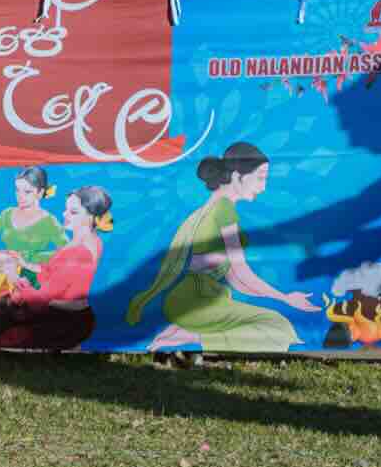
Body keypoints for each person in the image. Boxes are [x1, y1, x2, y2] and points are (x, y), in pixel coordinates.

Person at [128, 143, 318, 354]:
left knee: (276, 326)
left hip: (198, 299)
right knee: (277, 329)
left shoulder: (213, 208)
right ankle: (186, 336)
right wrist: (286, 298)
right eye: (261, 177)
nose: (263, 187)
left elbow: (236, 280)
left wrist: (283, 298)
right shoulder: (224, 209)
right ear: (237, 176)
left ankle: (184, 332)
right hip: (196, 302)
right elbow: (241, 273)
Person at [0, 185, 112, 350]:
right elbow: (56, 272)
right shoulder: (91, 240)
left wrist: (14, 277)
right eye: (66, 210)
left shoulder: (78, 252)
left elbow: (40, 301)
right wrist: (24, 264)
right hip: (71, 315)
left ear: (92, 217)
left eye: (73, 212)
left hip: (65, 321)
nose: (65, 215)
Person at [0, 165, 68, 277]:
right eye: (17, 190)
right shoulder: (7, 214)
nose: (20, 196)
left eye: (27, 192)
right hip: (5, 272)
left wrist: (30, 257)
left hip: (34, 276)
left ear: (40, 193)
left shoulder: (49, 221)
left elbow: (67, 253)